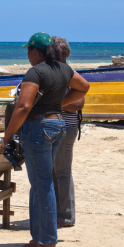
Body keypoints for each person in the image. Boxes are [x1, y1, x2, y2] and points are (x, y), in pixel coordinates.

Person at [1, 32, 90, 247]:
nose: (28, 56)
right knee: (44, 182)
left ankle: (45, 239)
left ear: (34, 51)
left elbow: (23, 107)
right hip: (58, 125)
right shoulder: (63, 69)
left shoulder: (35, 72)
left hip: (38, 128)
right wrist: (59, 105)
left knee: (42, 184)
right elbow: (84, 87)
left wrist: (7, 136)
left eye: (28, 51)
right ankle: (43, 236)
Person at [52, 36, 85, 228]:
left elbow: (79, 103)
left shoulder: (69, 73)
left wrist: (52, 104)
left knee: (62, 172)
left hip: (66, 125)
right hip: (59, 125)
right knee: (54, 172)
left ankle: (65, 216)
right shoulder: (60, 72)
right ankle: (59, 212)